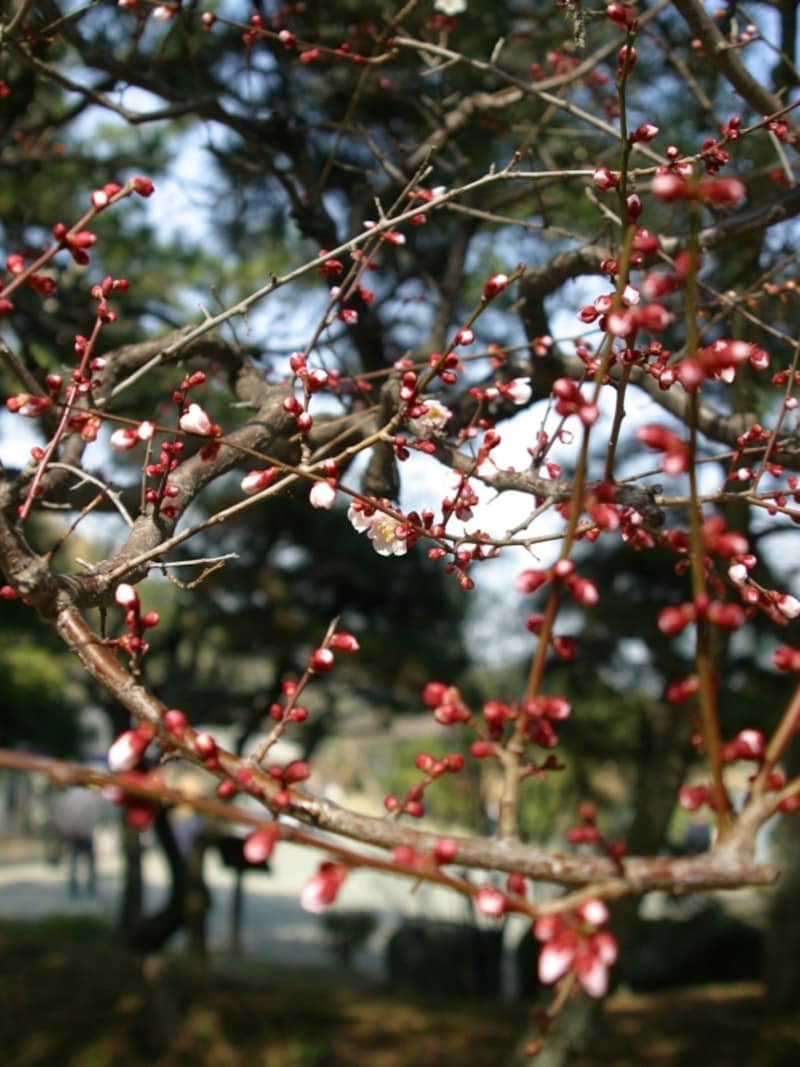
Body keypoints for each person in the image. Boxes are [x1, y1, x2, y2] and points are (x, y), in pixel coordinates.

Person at [50, 786, 105, 897]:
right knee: (89, 863)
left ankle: (74, 889)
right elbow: (94, 814)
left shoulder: (67, 796)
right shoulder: (90, 796)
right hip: (86, 833)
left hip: (73, 833)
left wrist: (67, 829)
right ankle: (90, 888)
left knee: (74, 862)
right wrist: (88, 829)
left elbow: (62, 814)